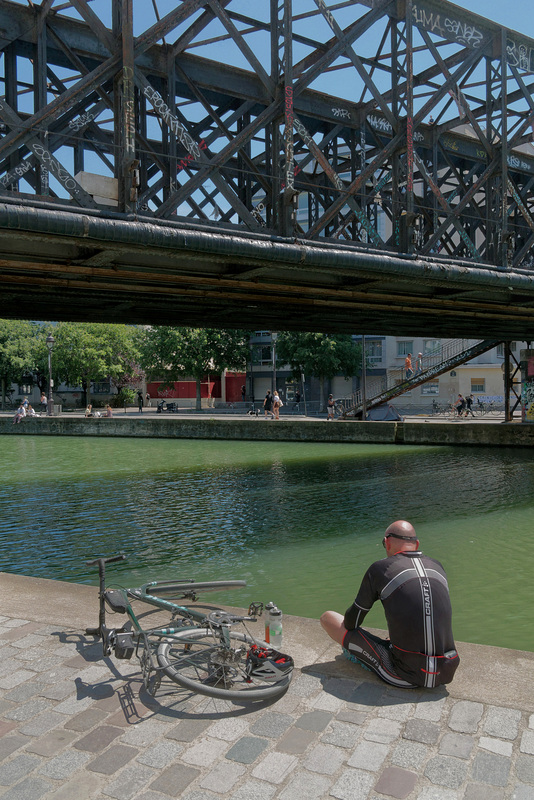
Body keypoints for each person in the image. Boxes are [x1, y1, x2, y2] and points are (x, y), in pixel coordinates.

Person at [320, 520, 459, 689]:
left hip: (403, 674)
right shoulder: (437, 566)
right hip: (446, 669)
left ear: (387, 542)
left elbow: (352, 622)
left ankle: (374, 658)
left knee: (328, 618)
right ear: (416, 544)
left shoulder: (381, 569)